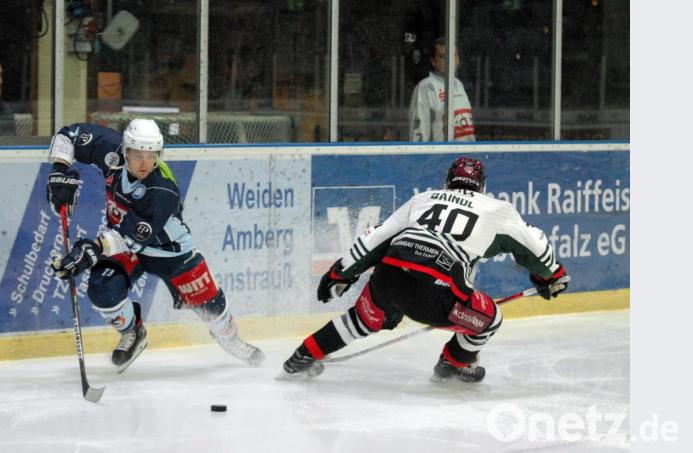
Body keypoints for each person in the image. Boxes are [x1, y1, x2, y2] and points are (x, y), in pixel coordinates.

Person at [279, 157, 569, 383]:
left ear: (447, 182)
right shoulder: (497, 210)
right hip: (439, 294)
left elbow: (376, 238)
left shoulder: (424, 199)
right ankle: (453, 363)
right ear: (482, 187)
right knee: (491, 319)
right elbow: (538, 249)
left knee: (361, 319)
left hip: (390, 277)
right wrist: (551, 275)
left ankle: (302, 355)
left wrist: (340, 273)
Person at [46, 119, 265, 372]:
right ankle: (133, 332)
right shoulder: (110, 152)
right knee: (102, 289)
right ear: (125, 150)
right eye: (137, 155)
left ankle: (232, 340)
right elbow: (68, 135)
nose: (144, 163)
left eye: (151, 156)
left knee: (212, 307)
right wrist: (59, 170)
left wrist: (91, 249)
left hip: (170, 252)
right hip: (128, 250)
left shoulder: (162, 189)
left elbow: (132, 236)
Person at [409, 38, 476, 142]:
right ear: (433, 61)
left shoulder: (459, 85)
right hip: (441, 157)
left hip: (464, 157)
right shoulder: (425, 87)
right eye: (442, 56)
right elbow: (418, 135)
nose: (449, 60)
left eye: (453, 55)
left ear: (458, 59)